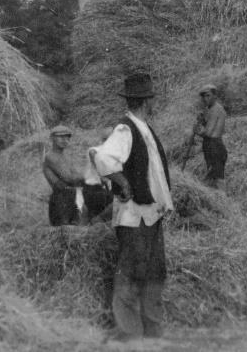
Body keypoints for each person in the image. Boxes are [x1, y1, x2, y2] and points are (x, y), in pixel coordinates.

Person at [89, 73, 173, 341]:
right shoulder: (126, 128)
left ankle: (152, 331)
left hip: (150, 214)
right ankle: (129, 335)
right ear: (145, 101)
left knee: (154, 272)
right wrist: (122, 181)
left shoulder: (144, 127)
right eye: (151, 98)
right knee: (132, 273)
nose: (153, 102)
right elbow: (102, 157)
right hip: (134, 215)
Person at [43, 125, 111, 226]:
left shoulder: (65, 156)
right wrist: (91, 177)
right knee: (67, 230)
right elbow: (69, 178)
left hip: (70, 195)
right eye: (60, 137)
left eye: (67, 137)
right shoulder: (51, 156)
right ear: (52, 138)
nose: (64, 140)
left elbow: (76, 175)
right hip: (61, 199)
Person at [193, 84, 228, 190]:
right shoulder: (210, 109)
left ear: (215, 96)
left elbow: (208, 132)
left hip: (215, 145)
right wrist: (202, 120)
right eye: (203, 96)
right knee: (212, 174)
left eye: (208, 96)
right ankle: (217, 197)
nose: (205, 99)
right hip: (210, 145)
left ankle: (223, 200)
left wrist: (197, 130)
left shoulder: (216, 110)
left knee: (218, 176)